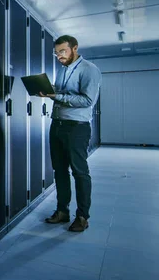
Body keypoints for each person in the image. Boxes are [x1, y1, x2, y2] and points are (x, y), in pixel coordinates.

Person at [39, 35, 102, 232]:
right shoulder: (63, 69)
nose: (59, 56)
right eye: (56, 53)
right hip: (57, 124)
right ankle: (62, 211)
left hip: (77, 127)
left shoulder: (89, 70)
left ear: (75, 48)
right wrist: (46, 92)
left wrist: (56, 95)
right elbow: (61, 95)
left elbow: (87, 101)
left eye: (63, 51)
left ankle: (82, 216)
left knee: (79, 172)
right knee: (59, 170)